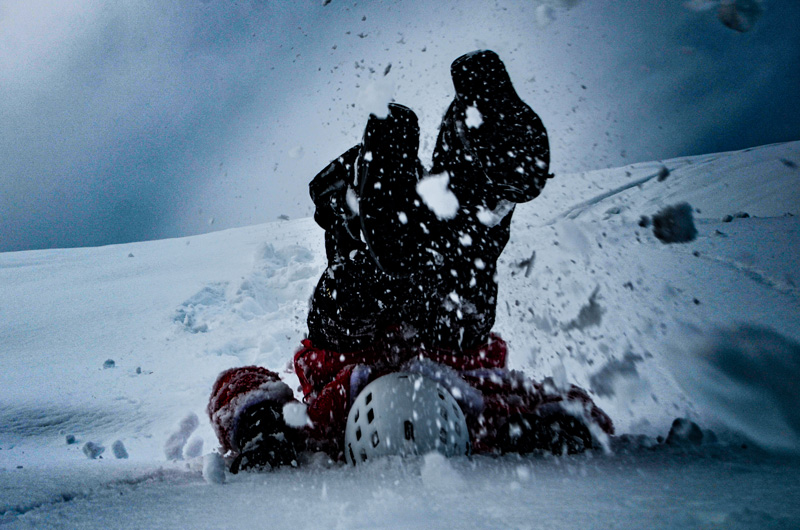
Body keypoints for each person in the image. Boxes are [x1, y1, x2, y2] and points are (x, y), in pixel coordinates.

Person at [207, 50, 613, 472]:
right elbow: (569, 405)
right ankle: (470, 156)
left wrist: (261, 427)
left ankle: (380, 190)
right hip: (448, 336)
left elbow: (235, 384)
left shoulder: (322, 425)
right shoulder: (488, 417)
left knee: (384, 276)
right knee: (461, 251)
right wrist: (553, 426)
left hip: (356, 337)